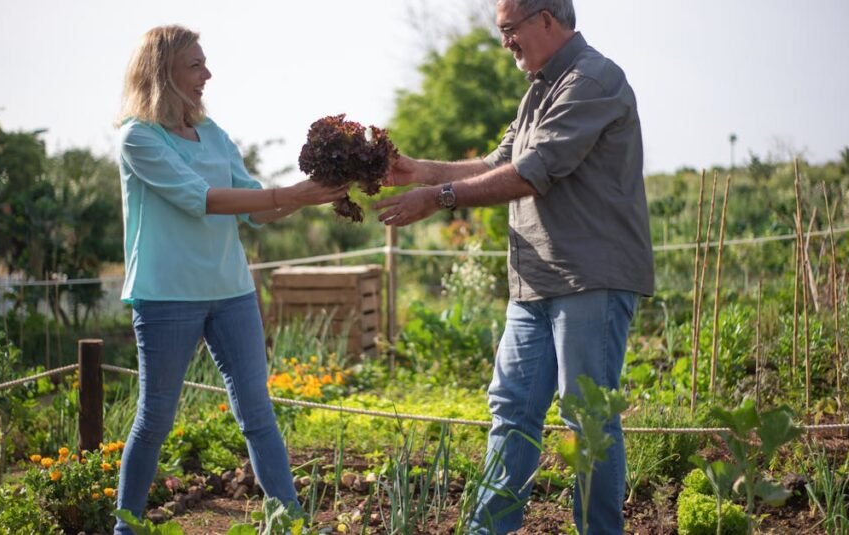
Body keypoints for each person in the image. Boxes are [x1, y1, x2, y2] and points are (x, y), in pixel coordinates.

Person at [374, 0, 654, 532]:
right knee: (512, 409)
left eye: (509, 30)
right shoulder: (540, 89)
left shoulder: (593, 80)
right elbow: (495, 163)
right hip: (535, 284)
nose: (505, 43)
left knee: (586, 419)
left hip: (588, 278)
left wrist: (441, 196)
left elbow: (531, 172)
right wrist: (419, 170)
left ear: (545, 19)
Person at [113, 25, 347, 533]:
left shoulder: (213, 133)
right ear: (163, 72)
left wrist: (319, 193)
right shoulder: (138, 138)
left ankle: (290, 521)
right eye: (195, 65)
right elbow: (203, 199)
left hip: (232, 292)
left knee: (258, 415)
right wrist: (290, 194)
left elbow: (255, 210)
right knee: (155, 421)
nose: (207, 74)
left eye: (204, 63)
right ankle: (125, 527)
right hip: (167, 296)